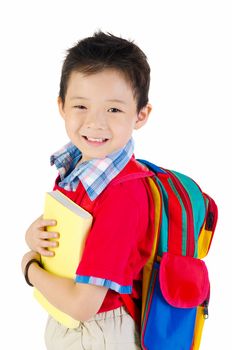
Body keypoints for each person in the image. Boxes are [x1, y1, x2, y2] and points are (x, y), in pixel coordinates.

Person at [21, 31, 155, 350]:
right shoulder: (79, 169)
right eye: (81, 105)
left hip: (99, 332)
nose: (94, 123)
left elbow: (84, 304)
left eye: (113, 110)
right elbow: (75, 236)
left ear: (141, 115)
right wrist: (34, 236)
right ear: (62, 106)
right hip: (72, 321)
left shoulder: (124, 194)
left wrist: (29, 267)